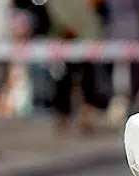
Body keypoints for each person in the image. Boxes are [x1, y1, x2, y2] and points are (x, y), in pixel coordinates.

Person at [45, 0, 108, 134]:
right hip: (64, 41)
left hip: (87, 41)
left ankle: (87, 118)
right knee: (63, 81)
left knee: (89, 81)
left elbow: (92, 15)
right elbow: (56, 12)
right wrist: (68, 27)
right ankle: (63, 116)